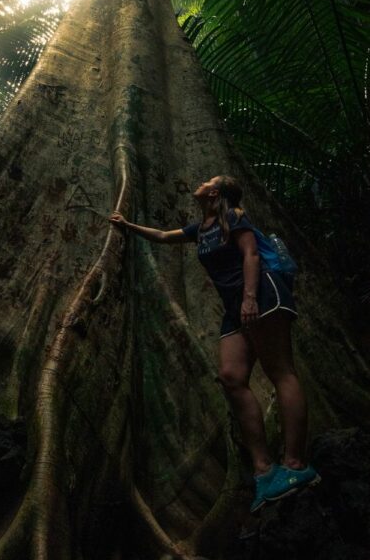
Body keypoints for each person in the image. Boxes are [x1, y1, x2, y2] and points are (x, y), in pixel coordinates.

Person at [109, 174, 320, 513]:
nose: (202, 184)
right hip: (235, 306)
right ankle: (264, 471)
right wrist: (127, 224)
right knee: (231, 377)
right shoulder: (201, 228)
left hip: (260, 293)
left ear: (216, 191)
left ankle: (295, 466)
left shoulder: (234, 217)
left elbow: (251, 255)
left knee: (280, 370)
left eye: (209, 181)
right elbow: (164, 236)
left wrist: (250, 299)